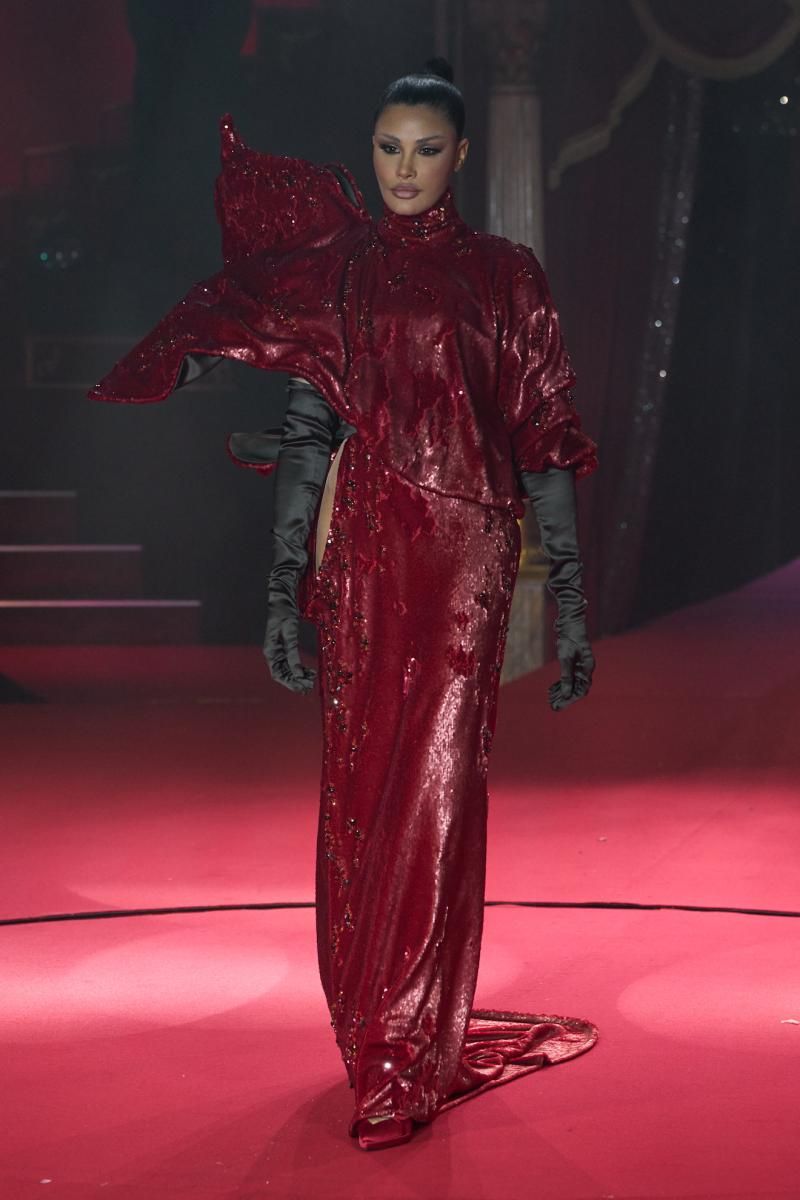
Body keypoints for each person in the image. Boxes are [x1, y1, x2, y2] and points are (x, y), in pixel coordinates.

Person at [90, 58, 599, 1151]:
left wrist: (569, 597)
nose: (403, 169)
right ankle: (372, 1028)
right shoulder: (336, 272)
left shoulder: (505, 276)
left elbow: (544, 439)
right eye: (387, 147)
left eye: (426, 149)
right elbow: (306, 438)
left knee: (434, 798)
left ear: (460, 157)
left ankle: (402, 1058)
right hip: (363, 555)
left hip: (462, 566)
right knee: (359, 800)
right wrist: (283, 592)